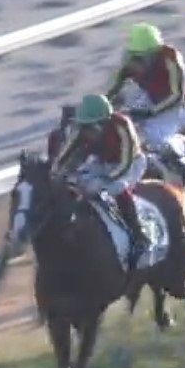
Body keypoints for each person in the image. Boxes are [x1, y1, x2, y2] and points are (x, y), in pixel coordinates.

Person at [56, 93, 150, 269]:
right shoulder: (82, 129)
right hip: (103, 163)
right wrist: (56, 171)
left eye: (91, 127)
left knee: (117, 188)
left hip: (131, 163)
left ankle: (139, 235)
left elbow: (126, 161)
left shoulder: (122, 126)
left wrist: (106, 180)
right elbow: (65, 154)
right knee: (76, 182)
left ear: (104, 122)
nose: (87, 132)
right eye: (84, 126)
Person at [108, 22, 185, 187]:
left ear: (157, 50)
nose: (143, 60)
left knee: (154, 137)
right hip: (149, 98)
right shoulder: (130, 58)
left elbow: (177, 96)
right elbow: (114, 89)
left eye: (148, 55)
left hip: (175, 106)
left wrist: (150, 112)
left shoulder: (171, 59)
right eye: (139, 56)